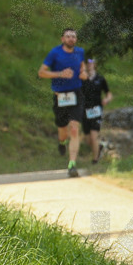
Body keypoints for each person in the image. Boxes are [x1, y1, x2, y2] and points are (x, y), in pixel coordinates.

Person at [38, 27, 88, 177]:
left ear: (76, 39)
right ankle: (61, 142)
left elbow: (82, 67)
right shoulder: (55, 53)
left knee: (74, 128)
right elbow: (41, 72)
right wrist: (59, 74)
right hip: (60, 96)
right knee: (62, 130)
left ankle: (72, 164)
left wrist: (83, 73)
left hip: (76, 94)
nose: (71, 39)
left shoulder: (80, 52)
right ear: (62, 39)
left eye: (73, 36)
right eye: (68, 36)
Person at [81, 58, 112, 164]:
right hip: (84, 110)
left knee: (94, 135)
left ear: (95, 65)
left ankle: (95, 160)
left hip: (96, 110)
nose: (89, 65)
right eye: (87, 64)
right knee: (88, 139)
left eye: (91, 63)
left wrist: (107, 99)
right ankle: (99, 147)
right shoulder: (81, 79)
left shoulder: (100, 79)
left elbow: (108, 93)